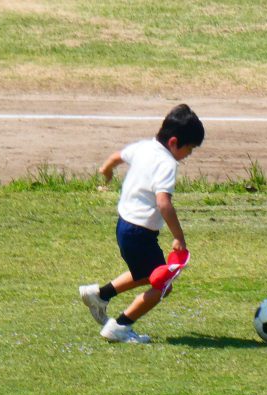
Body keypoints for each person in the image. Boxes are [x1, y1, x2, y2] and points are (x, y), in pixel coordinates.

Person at [78, 104, 204, 343]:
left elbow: (116, 157)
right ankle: (120, 326)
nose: (188, 154)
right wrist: (179, 237)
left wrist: (106, 171)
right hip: (140, 233)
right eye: (189, 149)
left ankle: (99, 295)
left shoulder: (144, 147)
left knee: (147, 274)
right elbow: (163, 203)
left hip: (124, 227)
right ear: (174, 142)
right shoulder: (167, 164)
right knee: (163, 284)